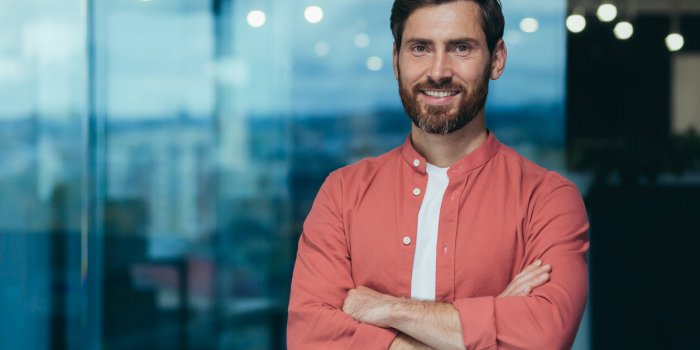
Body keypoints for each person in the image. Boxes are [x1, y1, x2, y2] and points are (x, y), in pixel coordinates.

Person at [287, 0, 590, 349]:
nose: (438, 71)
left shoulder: (548, 199)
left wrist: (387, 309)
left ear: (497, 59)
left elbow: (544, 336)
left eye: (461, 48)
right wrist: (488, 324)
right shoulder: (342, 193)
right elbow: (310, 338)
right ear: (396, 60)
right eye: (420, 48)